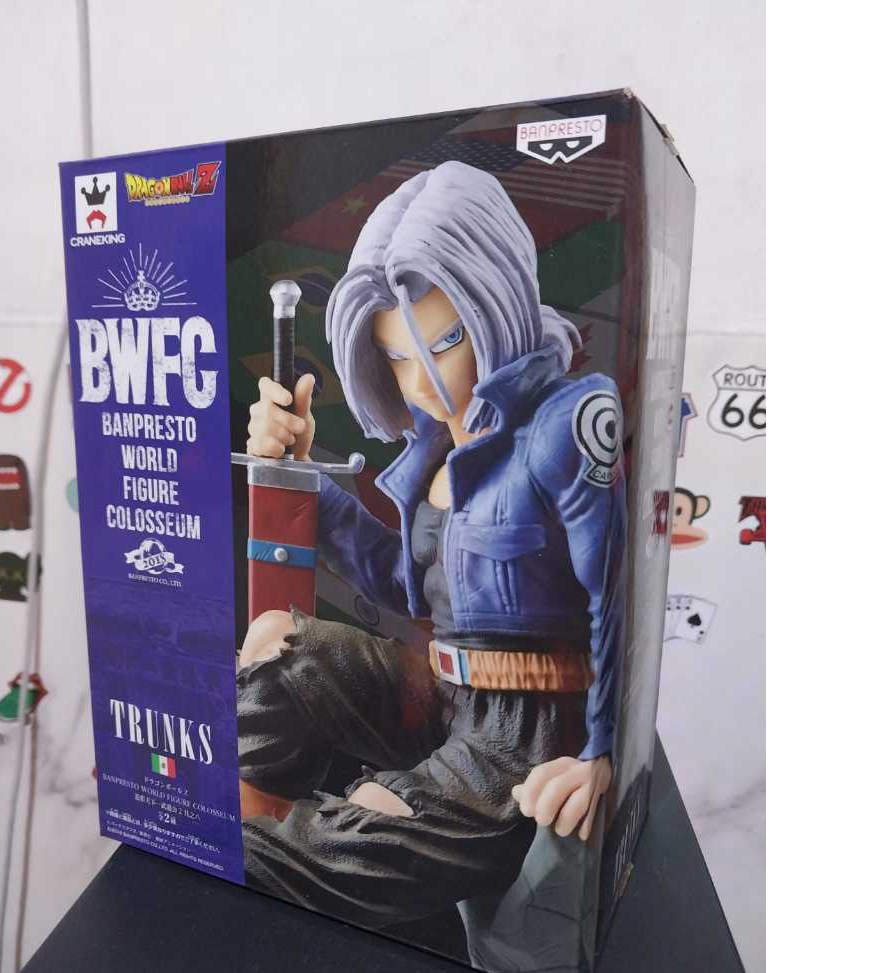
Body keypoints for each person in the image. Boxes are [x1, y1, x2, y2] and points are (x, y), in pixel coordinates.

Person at [237, 160, 625, 929]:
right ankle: (250, 829)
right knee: (277, 645)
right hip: (438, 699)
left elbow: (616, 599)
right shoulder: (437, 448)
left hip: (521, 737)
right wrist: (303, 475)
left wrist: (601, 754)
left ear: (497, 301)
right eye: (397, 355)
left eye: (444, 341)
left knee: (355, 830)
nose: (421, 382)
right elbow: (401, 580)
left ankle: (272, 853)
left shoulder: (568, 425)